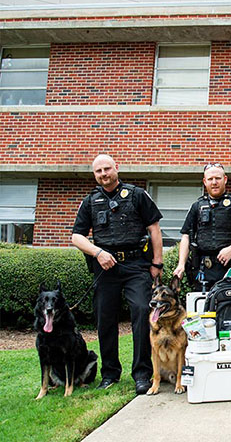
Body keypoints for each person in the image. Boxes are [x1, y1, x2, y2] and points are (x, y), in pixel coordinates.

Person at [71, 154, 163, 395]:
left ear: (116, 168)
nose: (104, 174)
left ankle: (142, 374)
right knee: (105, 320)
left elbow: (154, 229)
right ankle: (110, 373)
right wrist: (97, 252)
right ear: (95, 175)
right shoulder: (90, 201)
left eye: (107, 169)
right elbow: (77, 236)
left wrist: (157, 263)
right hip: (106, 268)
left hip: (136, 266)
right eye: (99, 171)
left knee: (143, 312)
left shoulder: (137, 195)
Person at [173, 163, 231, 292]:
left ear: (225, 179)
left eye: (217, 178)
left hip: (230, 267)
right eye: (210, 179)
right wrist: (181, 264)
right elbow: (186, 236)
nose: (214, 182)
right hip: (203, 267)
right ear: (204, 182)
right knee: (202, 308)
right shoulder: (197, 206)